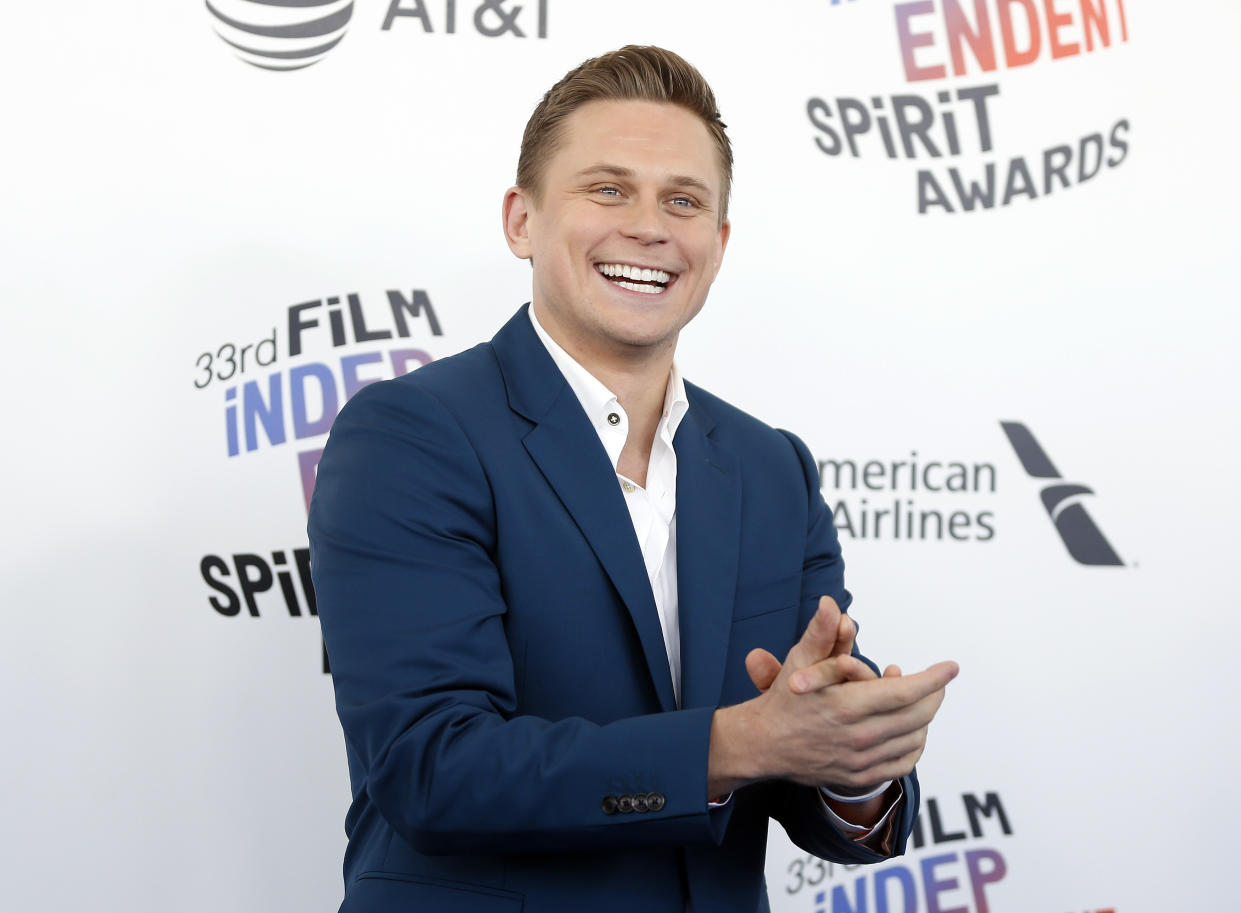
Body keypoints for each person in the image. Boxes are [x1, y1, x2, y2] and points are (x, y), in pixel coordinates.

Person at [308, 45, 958, 913]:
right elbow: (431, 767)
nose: (649, 226)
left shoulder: (772, 469)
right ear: (520, 220)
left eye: (682, 201)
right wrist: (737, 741)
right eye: (607, 188)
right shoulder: (412, 434)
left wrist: (853, 757)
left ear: (716, 246)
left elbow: (803, 777)